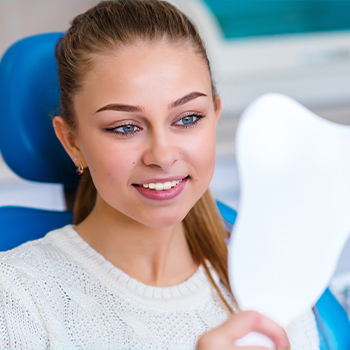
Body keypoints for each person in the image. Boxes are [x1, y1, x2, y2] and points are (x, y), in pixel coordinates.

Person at [0, 1, 319, 349]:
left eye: (187, 119)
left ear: (214, 116)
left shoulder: (272, 286)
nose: (163, 156)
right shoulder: (16, 298)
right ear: (72, 142)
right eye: (124, 127)